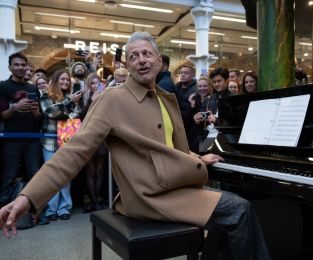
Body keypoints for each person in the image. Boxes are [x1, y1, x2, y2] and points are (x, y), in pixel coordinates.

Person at [0, 32, 271, 260]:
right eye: (133, 56)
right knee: (239, 210)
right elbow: (73, 152)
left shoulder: (165, 98)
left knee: (229, 217)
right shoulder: (111, 100)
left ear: (158, 62)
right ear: (127, 65)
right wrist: (28, 196)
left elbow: (167, 147)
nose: (141, 60)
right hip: (147, 197)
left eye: (146, 54)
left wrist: (197, 157)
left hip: (172, 187)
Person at [39, 69, 82, 221]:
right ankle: (51, 209)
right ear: (56, 80)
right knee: (51, 176)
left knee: (65, 176)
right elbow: (49, 111)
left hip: (67, 142)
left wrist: (66, 107)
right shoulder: (46, 95)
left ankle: (64, 208)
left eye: (67, 80)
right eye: (62, 79)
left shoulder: (73, 96)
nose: (65, 82)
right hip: (50, 142)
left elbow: (76, 114)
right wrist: (68, 102)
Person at [0, 53, 41, 206]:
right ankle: (3, 210)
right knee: (9, 175)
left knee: (34, 174)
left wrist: (36, 112)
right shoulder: (3, 86)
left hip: (33, 139)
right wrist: (16, 107)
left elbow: (38, 118)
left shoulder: (32, 88)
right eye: (16, 65)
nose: (20, 68)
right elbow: (3, 116)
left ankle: (35, 210)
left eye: (23, 65)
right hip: (11, 139)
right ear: (10, 67)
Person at [81, 73, 107, 212]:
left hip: (102, 137)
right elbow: (81, 115)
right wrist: (92, 100)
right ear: (88, 85)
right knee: (90, 171)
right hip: (88, 137)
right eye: (92, 83)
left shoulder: (105, 97)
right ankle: (92, 200)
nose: (95, 86)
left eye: (97, 83)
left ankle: (96, 199)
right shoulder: (84, 97)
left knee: (100, 171)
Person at [187, 77, 217, 153]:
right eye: (200, 86)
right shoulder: (195, 99)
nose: (202, 88)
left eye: (205, 86)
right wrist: (192, 105)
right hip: (195, 134)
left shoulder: (213, 99)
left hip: (208, 134)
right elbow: (189, 120)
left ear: (210, 87)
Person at [175, 64, 197, 137]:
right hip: (177, 124)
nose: (183, 75)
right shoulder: (176, 88)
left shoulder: (196, 89)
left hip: (189, 126)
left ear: (193, 75)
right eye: (181, 72)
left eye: (186, 73)